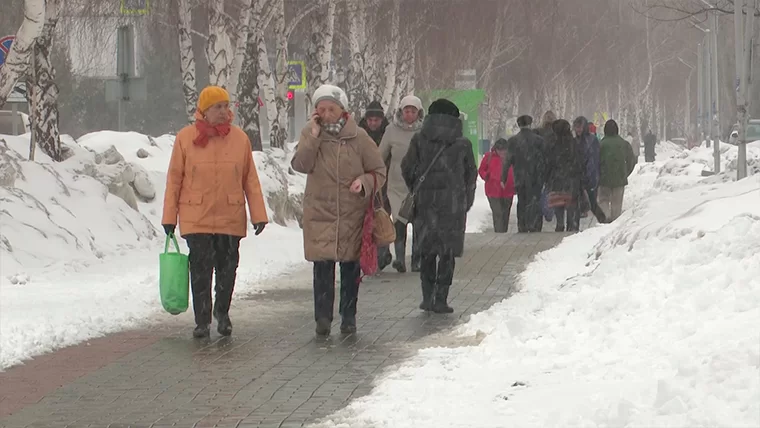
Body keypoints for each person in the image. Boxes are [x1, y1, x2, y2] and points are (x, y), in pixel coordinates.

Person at [162, 86, 268, 339]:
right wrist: (169, 218)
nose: (223, 112)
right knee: (200, 269)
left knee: (227, 268)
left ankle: (222, 312)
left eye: (225, 106)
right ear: (204, 111)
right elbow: (174, 180)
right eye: (217, 107)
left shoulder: (240, 139)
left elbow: (250, 180)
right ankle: (201, 320)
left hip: (229, 216)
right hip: (195, 216)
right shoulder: (185, 138)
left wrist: (259, 214)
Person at [291, 84, 386, 336]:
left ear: (343, 110)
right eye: (320, 109)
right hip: (320, 212)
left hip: (351, 214)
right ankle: (322, 318)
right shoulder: (311, 134)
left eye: (330, 109)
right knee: (322, 267)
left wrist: (363, 183)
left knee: (349, 267)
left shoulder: (359, 138)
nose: (325, 114)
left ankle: (348, 317)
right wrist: (313, 135)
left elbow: (379, 171)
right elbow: (300, 164)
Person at [401, 99, 476, 313]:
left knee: (427, 250)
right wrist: (465, 200)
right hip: (452, 207)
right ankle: (441, 298)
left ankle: (427, 296)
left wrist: (418, 187)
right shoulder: (462, 144)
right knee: (447, 253)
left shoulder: (419, 140)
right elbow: (471, 175)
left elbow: (407, 167)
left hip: (425, 205)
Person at [379, 95, 424, 273]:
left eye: (413, 111)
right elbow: (380, 155)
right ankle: (400, 259)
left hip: (419, 184)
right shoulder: (391, 130)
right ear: (401, 111)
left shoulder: (425, 131)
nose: (409, 114)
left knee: (419, 223)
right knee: (399, 221)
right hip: (397, 184)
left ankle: (417, 260)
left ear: (419, 113)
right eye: (406, 111)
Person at [359, 100, 392, 271]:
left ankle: (381, 256)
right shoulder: (358, 133)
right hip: (363, 184)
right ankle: (368, 258)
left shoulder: (389, 133)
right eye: (370, 120)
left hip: (384, 185)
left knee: (381, 220)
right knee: (365, 223)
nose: (373, 123)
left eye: (376, 120)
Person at [500, 115, 546, 233]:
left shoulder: (513, 141)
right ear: (530, 124)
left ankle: (522, 225)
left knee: (522, 201)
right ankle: (535, 225)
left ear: (519, 125)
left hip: (520, 176)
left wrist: (503, 178)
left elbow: (507, 161)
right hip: (536, 176)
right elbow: (544, 160)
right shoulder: (539, 140)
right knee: (535, 200)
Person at [545, 119, 585, 232]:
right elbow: (579, 163)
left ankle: (560, 224)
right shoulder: (574, 143)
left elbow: (547, 163)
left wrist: (547, 179)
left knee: (559, 205)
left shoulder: (552, 144)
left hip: (556, 181)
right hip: (572, 182)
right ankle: (571, 226)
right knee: (571, 206)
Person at [598, 120, 637, 222]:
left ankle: (605, 217)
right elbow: (631, 161)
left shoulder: (601, 144)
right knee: (617, 203)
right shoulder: (624, 144)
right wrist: (625, 172)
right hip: (619, 178)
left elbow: (595, 162)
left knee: (603, 199)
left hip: (604, 178)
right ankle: (615, 221)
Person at [573, 116, 607, 224]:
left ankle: (603, 220)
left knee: (592, 203)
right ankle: (574, 226)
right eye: (576, 127)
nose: (578, 130)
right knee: (577, 203)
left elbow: (594, 160)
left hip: (589, 177)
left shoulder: (591, 140)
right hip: (577, 176)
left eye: (580, 127)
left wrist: (591, 177)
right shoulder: (575, 141)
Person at [478, 140, 515, 233]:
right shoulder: (489, 157)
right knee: (497, 213)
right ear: (496, 149)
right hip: (493, 190)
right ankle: (499, 234)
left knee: (505, 214)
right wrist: (487, 175)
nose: (502, 152)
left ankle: (503, 232)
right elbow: (481, 170)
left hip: (508, 190)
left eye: (504, 150)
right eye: (500, 150)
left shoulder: (511, 157)